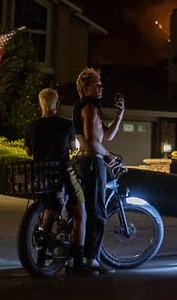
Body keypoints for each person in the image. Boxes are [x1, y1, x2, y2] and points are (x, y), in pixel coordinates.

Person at [24, 88, 92, 276]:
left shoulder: (31, 127)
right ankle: (77, 263)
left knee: (50, 206)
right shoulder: (66, 125)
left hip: (42, 176)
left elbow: (29, 152)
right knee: (80, 213)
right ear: (56, 104)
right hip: (63, 172)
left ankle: (42, 248)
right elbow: (72, 147)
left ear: (40, 104)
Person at [73, 68, 125, 274]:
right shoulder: (89, 109)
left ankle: (82, 256)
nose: (101, 87)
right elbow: (94, 143)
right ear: (86, 89)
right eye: (97, 84)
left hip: (83, 162)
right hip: (92, 164)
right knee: (97, 212)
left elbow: (107, 136)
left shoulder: (88, 108)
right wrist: (109, 157)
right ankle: (91, 259)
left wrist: (120, 115)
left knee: (86, 211)